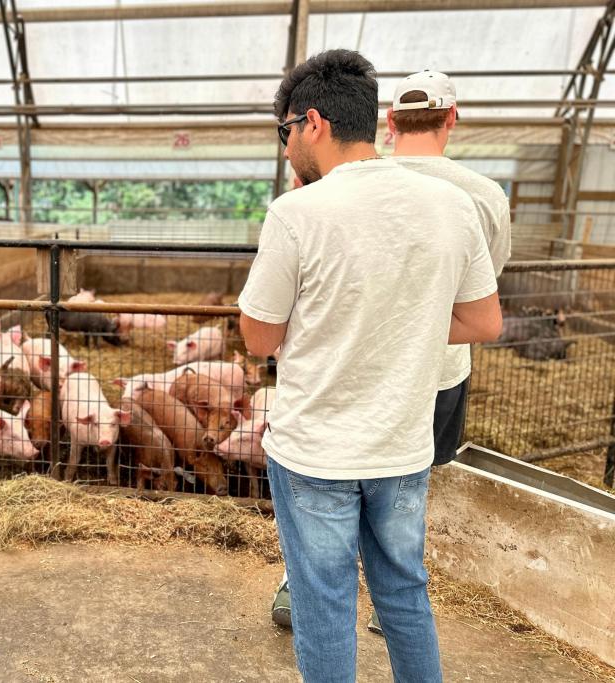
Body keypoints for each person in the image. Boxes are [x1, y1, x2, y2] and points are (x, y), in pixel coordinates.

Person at [237, 50, 503, 682]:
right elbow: (483, 322)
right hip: (403, 448)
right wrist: (404, 319)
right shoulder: (452, 205)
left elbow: (257, 335)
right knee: (405, 594)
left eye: (285, 133)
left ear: (314, 123)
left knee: (324, 602)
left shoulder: (296, 213)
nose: (285, 150)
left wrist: (334, 320)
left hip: (315, 455)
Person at [358, 70, 513, 636]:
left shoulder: (354, 180)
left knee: (335, 474)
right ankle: (390, 604)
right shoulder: (483, 195)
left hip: (361, 359)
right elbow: (483, 288)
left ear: (389, 123)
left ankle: (303, 582)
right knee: (409, 481)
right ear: (452, 117)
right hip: (439, 366)